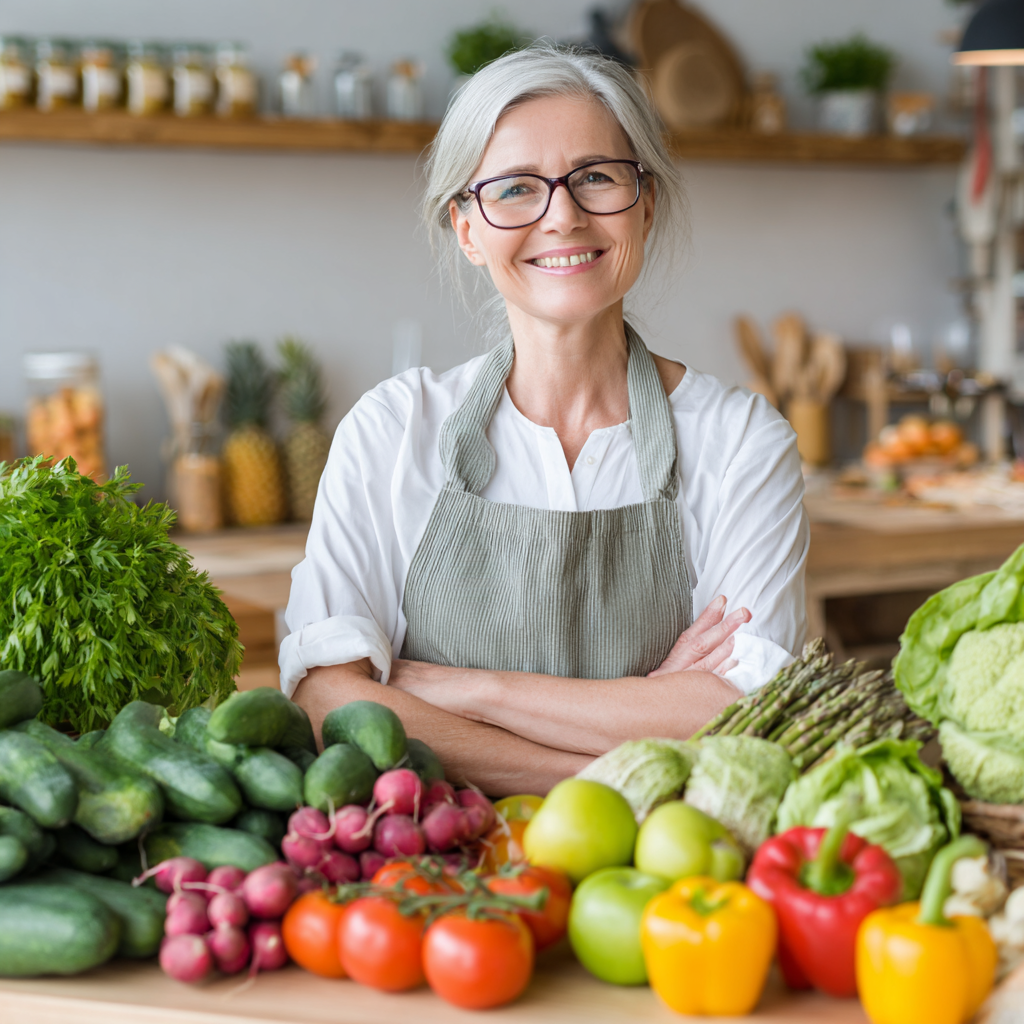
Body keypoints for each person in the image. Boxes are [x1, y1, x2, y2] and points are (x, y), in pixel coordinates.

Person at [283, 45, 808, 796]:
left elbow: (740, 713)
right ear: (467, 228)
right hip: (429, 880)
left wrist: (459, 688)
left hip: (662, 887)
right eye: (516, 188)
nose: (562, 216)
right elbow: (328, 700)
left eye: (596, 177)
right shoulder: (391, 431)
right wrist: (610, 763)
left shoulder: (740, 442)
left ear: (646, 204)